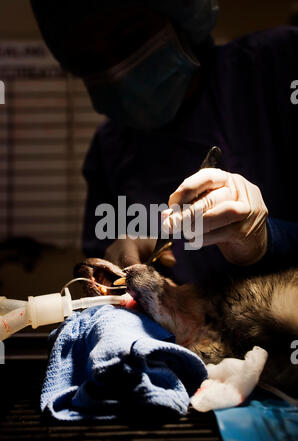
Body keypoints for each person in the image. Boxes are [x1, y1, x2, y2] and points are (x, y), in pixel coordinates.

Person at [31, 0, 298, 284]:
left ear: (182, 17)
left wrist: (268, 239)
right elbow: (102, 282)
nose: (116, 70)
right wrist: (118, 271)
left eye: (129, 39)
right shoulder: (110, 148)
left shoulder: (279, 65)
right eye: (90, 62)